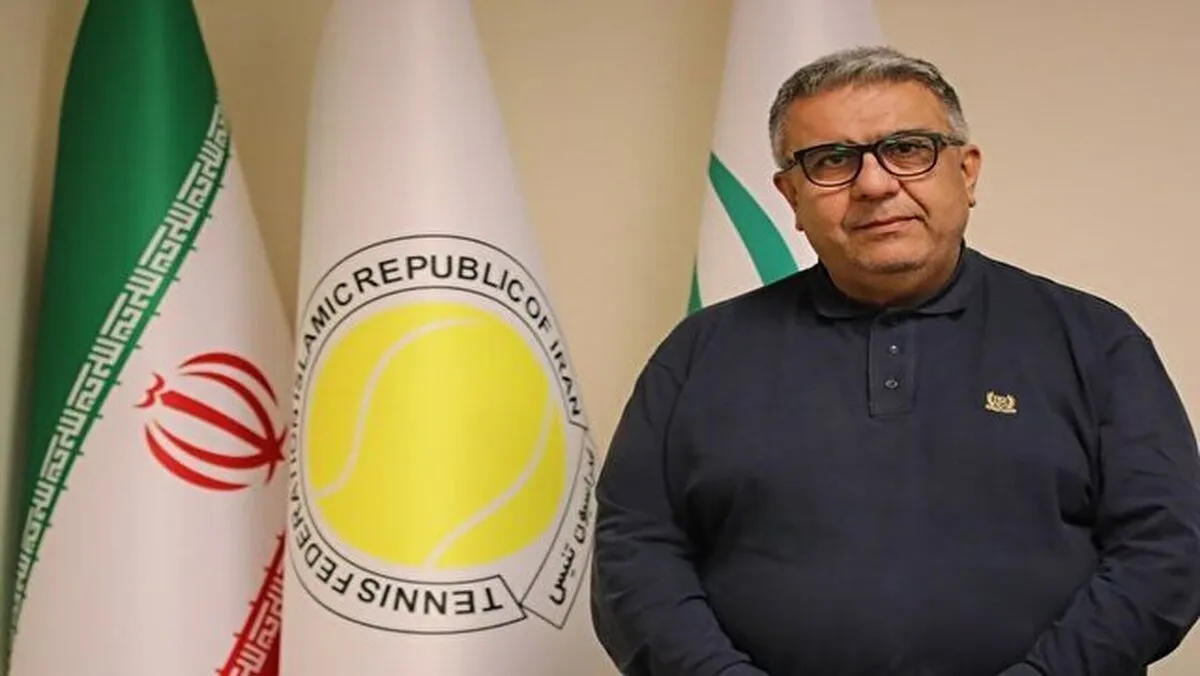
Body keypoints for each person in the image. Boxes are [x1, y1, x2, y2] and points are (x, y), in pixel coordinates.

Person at [589, 45, 1200, 676]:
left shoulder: (1095, 340)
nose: (875, 184)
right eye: (832, 160)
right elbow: (635, 550)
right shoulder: (700, 353)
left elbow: (1166, 549)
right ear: (791, 196)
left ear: (966, 172)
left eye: (908, 149)